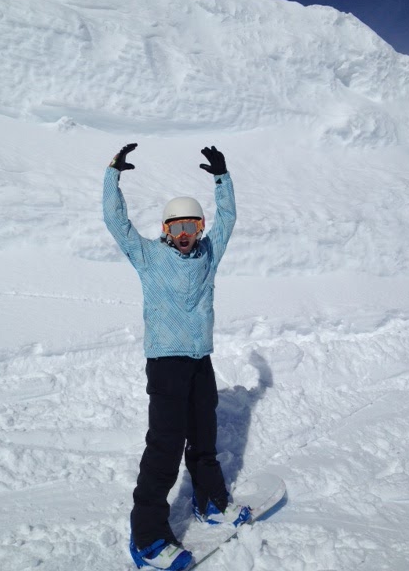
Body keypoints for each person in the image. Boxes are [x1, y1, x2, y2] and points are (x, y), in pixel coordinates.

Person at [103, 143, 251, 571]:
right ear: (166, 230)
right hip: (166, 363)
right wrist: (112, 175)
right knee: (165, 447)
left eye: (192, 225)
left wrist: (222, 179)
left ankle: (211, 502)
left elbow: (229, 219)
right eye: (177, 226)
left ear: (200, 228)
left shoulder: (208, 255)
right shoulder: (149, 256)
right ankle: (147, 536)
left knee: (204, 437)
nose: (185, 233)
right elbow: (116, 222)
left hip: (200, 361)